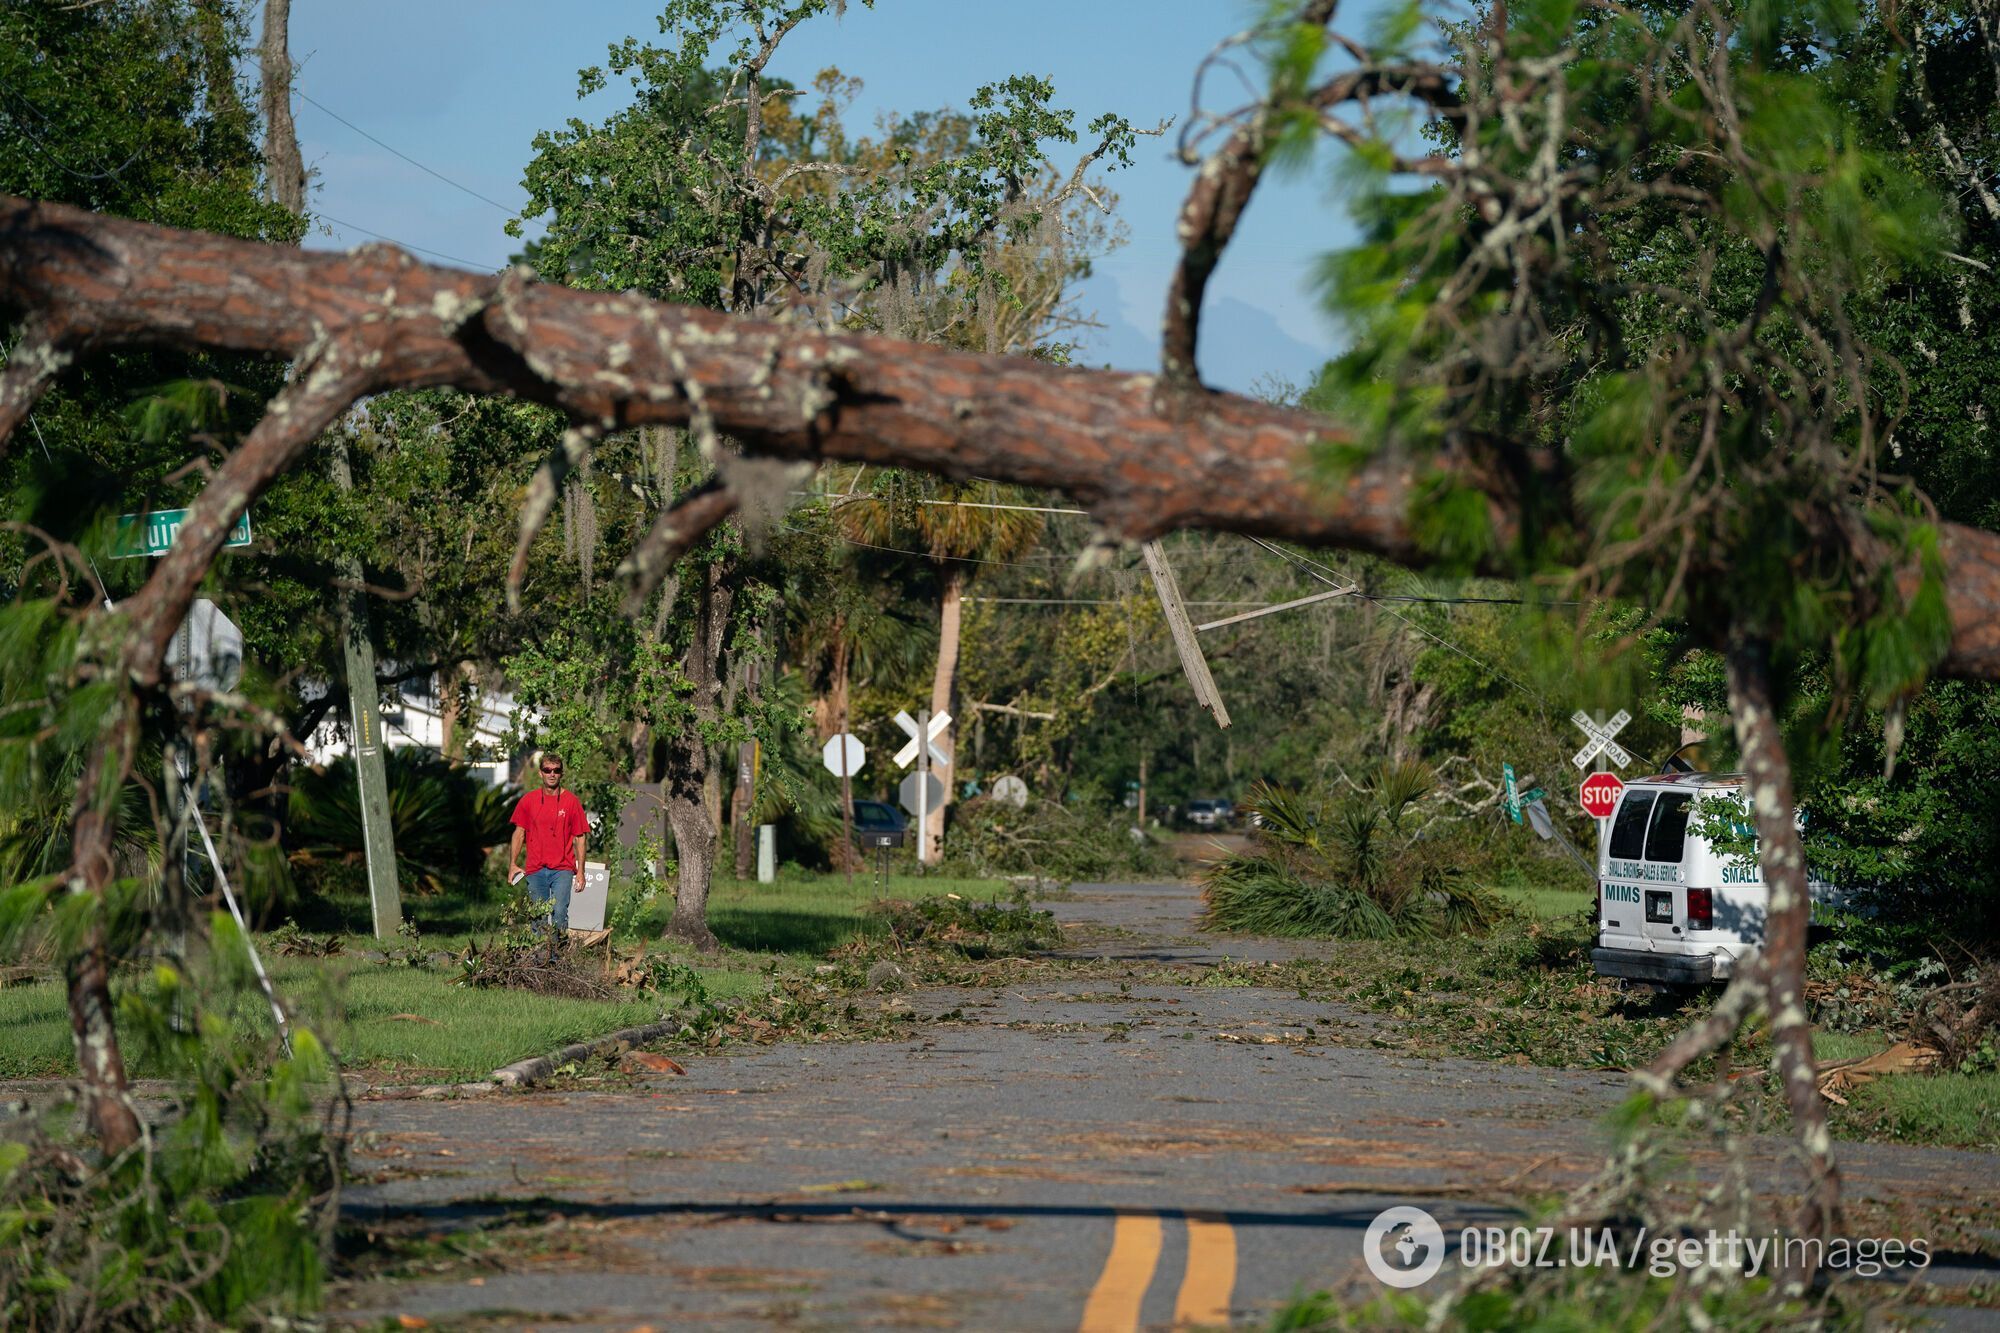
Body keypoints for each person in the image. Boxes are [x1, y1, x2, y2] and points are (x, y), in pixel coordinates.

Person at [507, 751, 588, 938]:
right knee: (538, 917)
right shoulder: (528, 800)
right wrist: (512, 864)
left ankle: (557, 960)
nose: (552, 774)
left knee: (559, 913)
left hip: (563, 868)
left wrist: (581, 871)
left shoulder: (571, 802)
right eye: (547, 770)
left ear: (561, 774)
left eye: (556, 770)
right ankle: (540, 961)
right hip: (535, 868)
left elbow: (580, 838)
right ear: (540, 773)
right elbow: (519, 834)